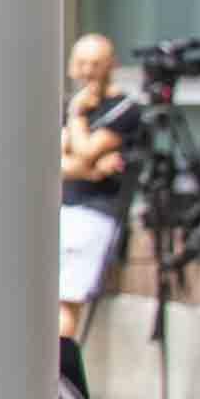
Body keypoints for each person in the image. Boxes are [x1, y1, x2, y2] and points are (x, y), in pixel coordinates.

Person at [59, 32, 138, 342]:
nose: (87, 71)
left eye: (95, 63)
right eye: (80, 63)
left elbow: (84, 150)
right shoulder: (70, 103)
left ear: (111, 65)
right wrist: (87, 169)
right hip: (63, 208)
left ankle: (60, 377)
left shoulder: (123, 109)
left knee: (65, 304)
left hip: (94, 215)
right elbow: (51, 162)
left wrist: (77, 118)